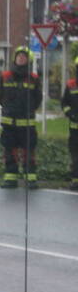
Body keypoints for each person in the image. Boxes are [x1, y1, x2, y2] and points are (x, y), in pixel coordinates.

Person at [0, 46, 41, 189]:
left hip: (27, 123)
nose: (21, 58)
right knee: (10, 150)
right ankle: (10, 178)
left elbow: (38, 98)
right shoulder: (5, 76)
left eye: (24, 56)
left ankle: (31, 179)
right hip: (9, 122)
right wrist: (8, 109)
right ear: (14, 58)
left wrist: (28, 109)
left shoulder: (34, 78)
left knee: (29, 150)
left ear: (29, 60)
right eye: (19, 56)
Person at [63, 57, 78, 191]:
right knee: (75, 156)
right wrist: (70, 114)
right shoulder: (71, 85)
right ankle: (75, 181)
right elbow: (64, 103)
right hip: (74, 129)